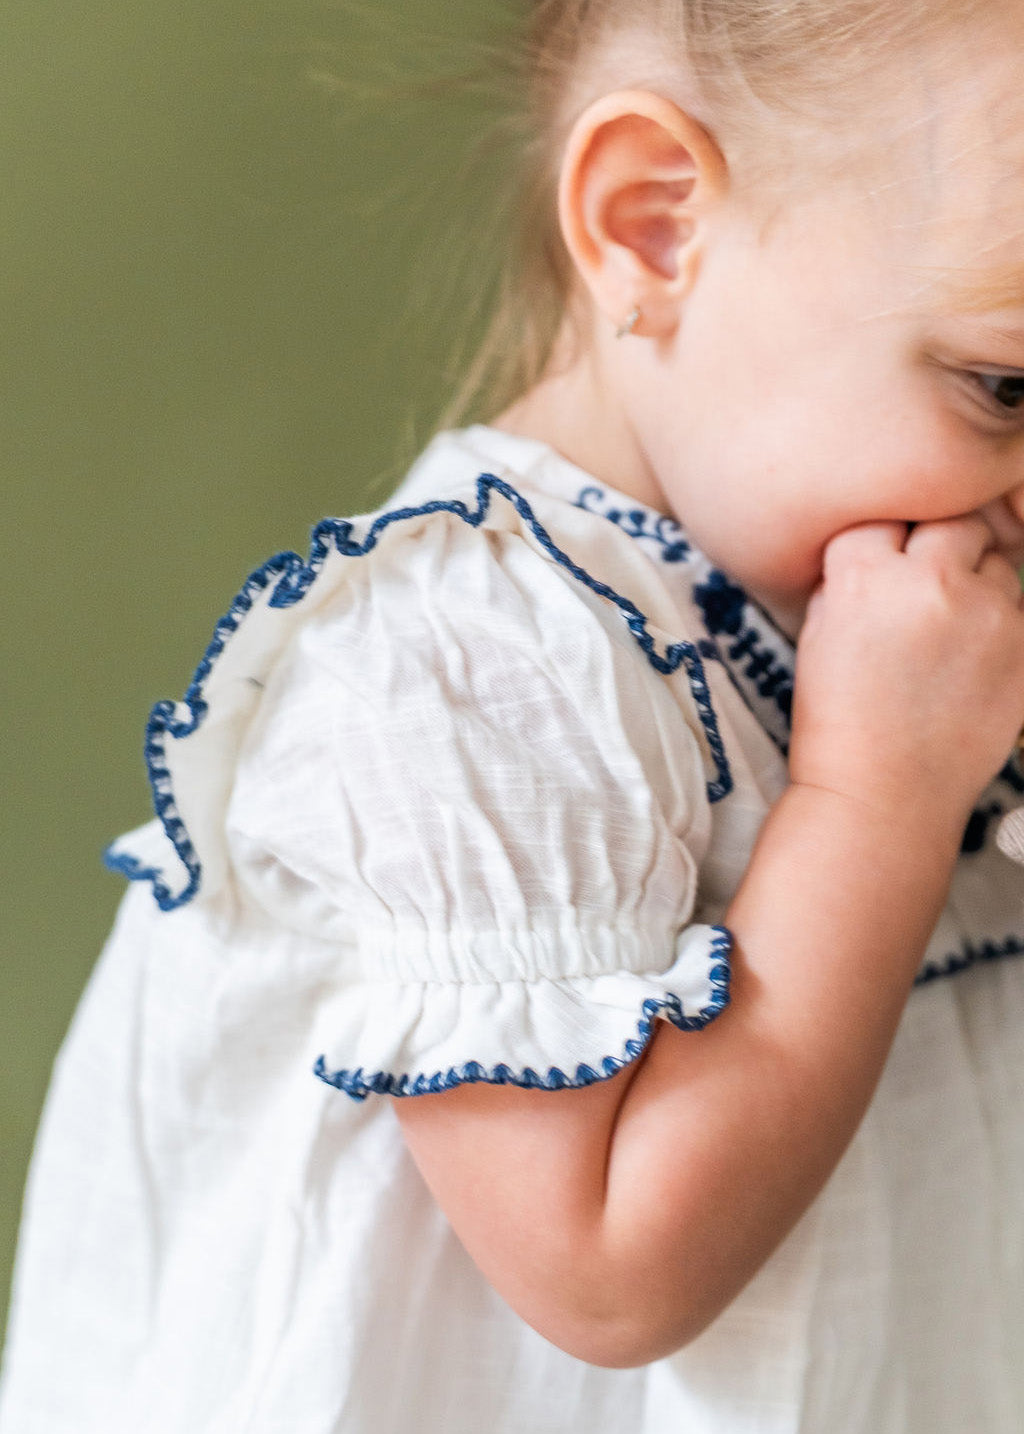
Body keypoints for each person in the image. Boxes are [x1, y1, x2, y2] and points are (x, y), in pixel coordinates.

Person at [4, 1, 1024, 1429]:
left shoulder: (915, 627)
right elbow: (608, 1270)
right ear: (653, 226)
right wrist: (882, 800)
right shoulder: (473, 662)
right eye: (1005, 387)